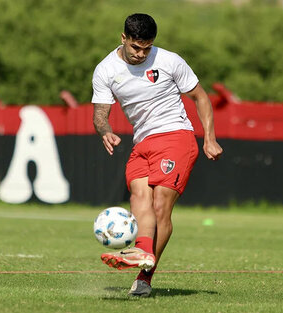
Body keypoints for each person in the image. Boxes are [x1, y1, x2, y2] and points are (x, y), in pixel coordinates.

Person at [92, 13, 223, 297]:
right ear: (123, 38)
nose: (141, 54)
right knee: (139, 197)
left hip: (176, 136)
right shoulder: (105, 70)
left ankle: (144, 277)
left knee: (161, 206)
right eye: (135, 47)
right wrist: (105, 131)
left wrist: (209, 138)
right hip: (142, 143)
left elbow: (201, 97)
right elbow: (100, 113)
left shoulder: (170, 61)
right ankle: (142, 250)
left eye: (147, 48)